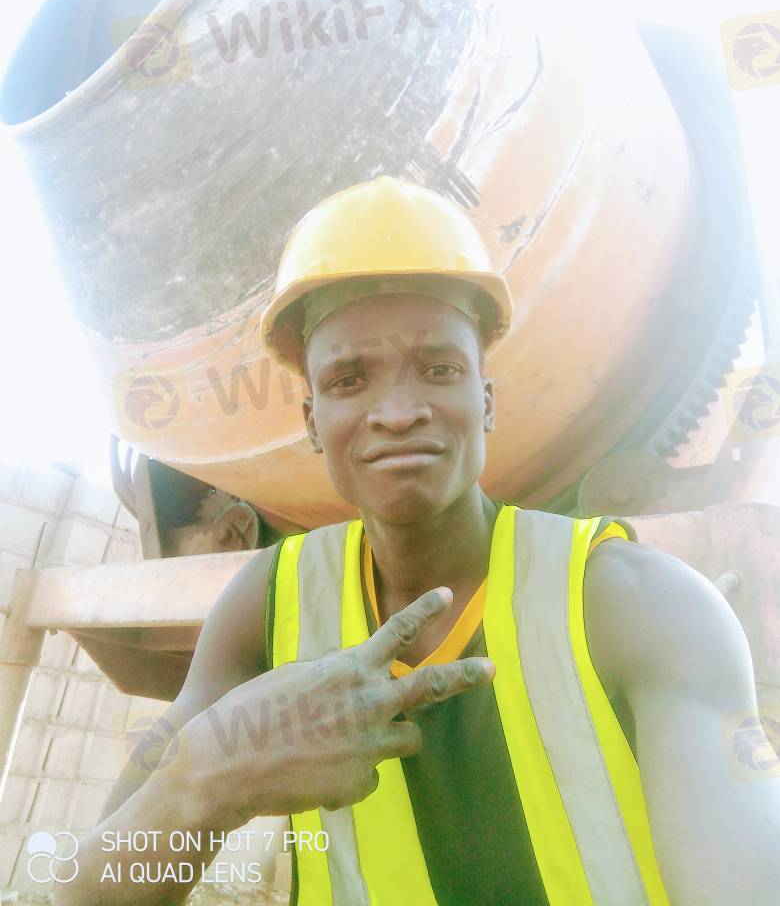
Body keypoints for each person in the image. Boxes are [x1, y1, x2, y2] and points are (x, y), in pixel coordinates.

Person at [57, 177, 780, 906]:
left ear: (484, 402)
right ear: (312, 422)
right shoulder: (264, 607)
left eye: (439, 370)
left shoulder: (636, 604)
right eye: (349, 380)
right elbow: (88, 894)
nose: (398, 411)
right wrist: (212, 781)